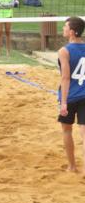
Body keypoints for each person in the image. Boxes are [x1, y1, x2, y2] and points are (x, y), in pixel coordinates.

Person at [57, 16, 85, 175]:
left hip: (71, 96)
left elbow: (65, 78)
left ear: (72, 32)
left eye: (65, 27)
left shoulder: (64, 51)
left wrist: (64, 103)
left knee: (67, 131)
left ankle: (72, 167)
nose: (63, 29)